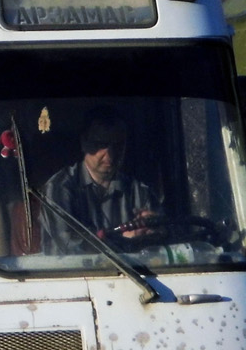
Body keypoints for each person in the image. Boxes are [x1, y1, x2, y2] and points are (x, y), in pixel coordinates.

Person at [39, 107, 159, 252]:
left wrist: (156, 228)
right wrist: (124, 239)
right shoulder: (58, 188)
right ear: (84, 143)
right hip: (75, 274)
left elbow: (167, 243)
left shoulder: (139, 191)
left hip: (135, 273)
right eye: (101, 144)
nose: (110, 154)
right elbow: (72, 248)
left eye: (118, 145)